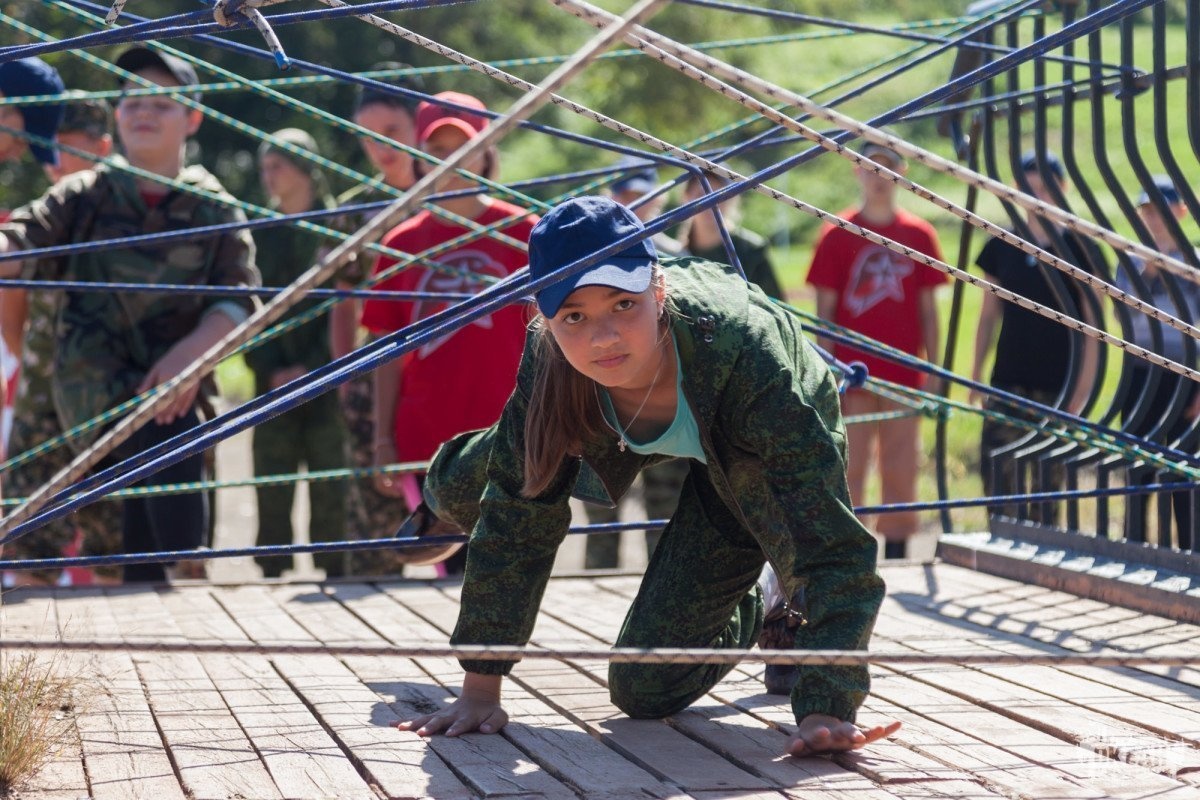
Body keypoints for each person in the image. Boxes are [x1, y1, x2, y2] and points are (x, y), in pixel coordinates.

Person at [397, 196, 896, 757]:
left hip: (748, 440)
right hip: (607, 418)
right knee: (510, 462)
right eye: (575, 316)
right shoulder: (552, 361)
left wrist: (827, 707)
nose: (604, 336)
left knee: (644, 688)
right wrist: (480, 688)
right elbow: (518, 519)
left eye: (622, 304)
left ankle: (766, 590)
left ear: (658, 292)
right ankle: (439, 491)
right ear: (543, 319)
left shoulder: (757, 363)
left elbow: (833, 547)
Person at [0, 46, 258, 584]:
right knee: (63, 558)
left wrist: (190, 356)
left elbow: (241, 299)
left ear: (193, 117)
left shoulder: (213, 206)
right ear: (116, 114)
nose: (143, 111)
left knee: (173, 569)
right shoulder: (84, 193)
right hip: (83, 416)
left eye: (162, 102)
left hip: (170, 416)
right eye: (132, 99)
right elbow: (21, 236)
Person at [360, 91, 537, 576]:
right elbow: (384, 354)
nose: (448, 160)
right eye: (436, 149)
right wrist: (382, 442)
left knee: (510, 571)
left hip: (513, 433)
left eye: (461, 146)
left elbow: (558, 338)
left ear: (485, 152)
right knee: (453, 576)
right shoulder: (399, 244)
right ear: (417, 157)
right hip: (428, 441)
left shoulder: (523, 232)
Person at [1, 98, 122, 588]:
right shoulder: (45, 218)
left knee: (117, 543)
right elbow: (14, 319)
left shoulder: (123, 212)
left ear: (103, 147)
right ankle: (30, 663)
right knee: (29, 540)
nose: (57, 160)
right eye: (52, 149)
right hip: (42, 403)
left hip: (108, 400)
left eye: (70, 148)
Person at [805, 143, 947, 559]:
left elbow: (929, 311)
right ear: (857, 174)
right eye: (870, 168)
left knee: (901, 466)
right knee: (850, 464)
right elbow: (825, 311)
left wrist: (934, 370)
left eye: (887, 168)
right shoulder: (837, 231)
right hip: (853, 373)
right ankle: (851, 552)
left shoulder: (919, 234)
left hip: (903, 372)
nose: (879, 177)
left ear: (901, 173)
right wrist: (827, 372)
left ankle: (900, 548)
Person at [970, 152, 1101, 525]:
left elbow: (1093, 325)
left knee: (1049, 484)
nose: (1038, 195)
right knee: (999, 475)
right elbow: (987, 314)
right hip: (1008, 378)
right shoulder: (1002, 242)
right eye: (1029, 187)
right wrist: (977, 374)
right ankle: (1004, 544)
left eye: (1046, 187)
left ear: (1063, 189)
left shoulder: (1080, 247)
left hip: (1058, 383)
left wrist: (1083, 389)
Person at [330, 64, 424, 575]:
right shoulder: (353, 212)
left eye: (393, 132)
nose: (382, 147)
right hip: (373, 378)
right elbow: (342, 305)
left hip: (442, 374)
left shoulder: (452, 199)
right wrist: (344, 376)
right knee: (373, 522)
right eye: (369, 136)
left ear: (420, 126)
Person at [247, 128, 348, 578]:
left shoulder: (339, 225)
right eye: (264, 167)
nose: (269, 176)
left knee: (332, 486)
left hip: (328, 381)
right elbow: (249, 309)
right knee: (271, 485)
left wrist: (312, 369)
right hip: (269, 383)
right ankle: (271, 573)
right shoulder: (257, 231)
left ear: (305, 169)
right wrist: (269, 369)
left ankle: (333, 572)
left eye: (278, 166)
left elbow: (346, 311)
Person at [581, 157, 686, 570]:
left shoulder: (678, 257)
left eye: (641, 196)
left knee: (668, 518)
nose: (634, 205)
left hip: (665, 402)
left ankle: (662, 596)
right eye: (625, 197)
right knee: (600, 516)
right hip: (603, 404)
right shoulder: (591, 258)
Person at [1114, 176, 1200, 548]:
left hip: (1185, 375)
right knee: (1138, 467)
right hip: (1140, 373)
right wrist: (1149, 268)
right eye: (1147, 211)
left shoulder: (1195, 262)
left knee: (1184, 472)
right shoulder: (1130, 261)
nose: (1154, 219)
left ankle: (1189, 551)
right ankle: (1134, 546)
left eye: (1161, 210)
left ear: (1181, 211)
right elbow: (1123, 315)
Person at [678, 170, 785, 302]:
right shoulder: (676, 255)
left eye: (718, 196)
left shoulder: (752, 250)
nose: (710, 204)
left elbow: (776, 306)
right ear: (686, 198)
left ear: (732, 199)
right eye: (701, 195)